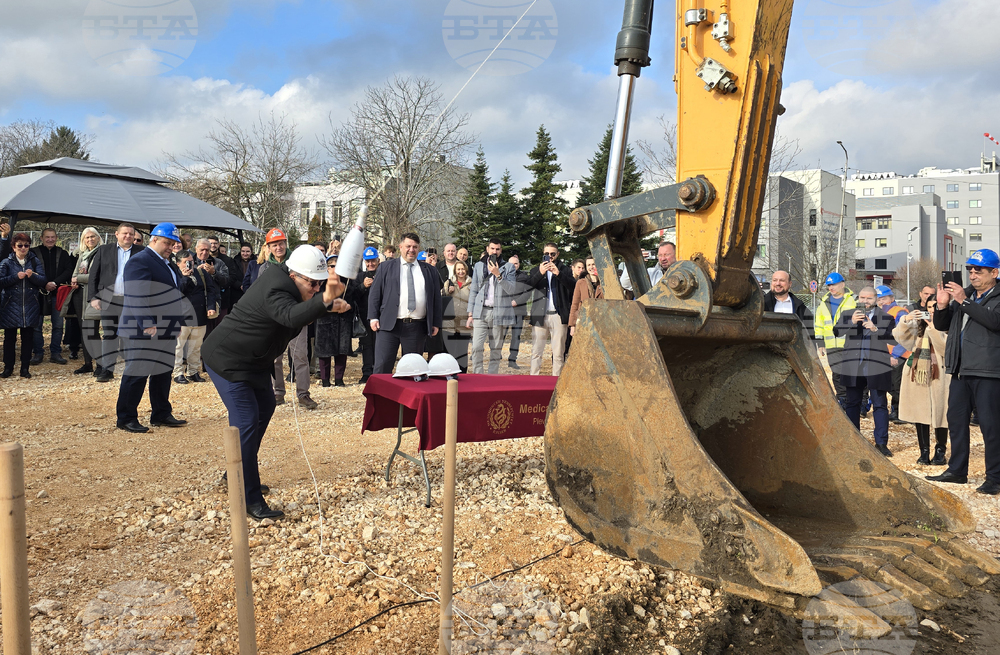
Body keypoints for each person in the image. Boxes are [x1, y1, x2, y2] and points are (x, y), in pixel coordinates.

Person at [204, 245, 350, 520]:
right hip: (228, 360)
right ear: (294, 275)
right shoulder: (275, 285)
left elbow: (299, 311)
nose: (316, 289)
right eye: (312, 283)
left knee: (266, 406)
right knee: (246, 420)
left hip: (255, 361)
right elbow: (290, 316)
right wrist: (325, 301)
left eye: (320, 284)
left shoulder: (291, 285)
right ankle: (248, 496)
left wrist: (327, 305)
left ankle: (236, 469)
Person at [926, 249, 1000, 495]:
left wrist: (963, 301)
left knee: (991, 426)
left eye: (979, 270)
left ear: (994, 272)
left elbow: (994, 322)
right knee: (956, 422)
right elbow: (942, 325)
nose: (973, 274)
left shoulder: (993, 295)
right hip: (960, 368)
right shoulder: (965, 295)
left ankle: (995, 478)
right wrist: (944, 306)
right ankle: (957, 471)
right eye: (970, 269)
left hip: (988, 370)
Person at [114, 223, 188, 433]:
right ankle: (126, 417)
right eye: (167, 243)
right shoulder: (140, 261)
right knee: (137, 373)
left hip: (166, 328)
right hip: (143, 329)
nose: (170, 247)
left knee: (163, 372)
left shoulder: (168, 264)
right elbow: (137, 296)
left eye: (173, 244)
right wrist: (147, 324)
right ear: (153, 239)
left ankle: (161, 413)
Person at [833, 287, 898, 456]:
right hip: (854, 365)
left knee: (879, 404)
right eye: (861, 297)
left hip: (876, 365)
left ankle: (881, 443)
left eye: (868, 298)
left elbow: (894, 339)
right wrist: (851, 322)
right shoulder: (849, 314)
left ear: (876, 299)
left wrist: (876, 329)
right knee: (852, 403)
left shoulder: (886, 317)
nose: (864, 301)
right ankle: (854, 440)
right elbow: (837, 332)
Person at [369, 232, 443, 374]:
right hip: (388, 326)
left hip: (416, 327)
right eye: (408, 246)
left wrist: (436, 322)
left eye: (415, 247)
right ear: (401, 246)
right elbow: (374, 294)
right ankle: (379, 396)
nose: (411, 249)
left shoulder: (430, 271)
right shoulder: (385, 267)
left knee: (413, 370)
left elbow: (436, 299)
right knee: (382, 366)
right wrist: (373, 317)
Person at [893, 300, 950, 465]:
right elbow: (900, 338)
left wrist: (933, 329)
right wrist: (906, 320)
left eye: (936, 308)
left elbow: (945, 348)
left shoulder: (948, 325)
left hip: (940, 374)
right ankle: (923, 451)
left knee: (941, 413)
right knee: (920, 413)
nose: (932, 311)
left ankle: (940, 451)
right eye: (929, 308)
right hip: (918, 375)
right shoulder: (919, 327)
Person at [87, 223, 144, 383]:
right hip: (109, 300)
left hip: (132, 302)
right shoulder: (104, 250)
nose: (128, 236)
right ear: (116, 234)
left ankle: (132, 369)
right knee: (110, 335)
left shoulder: (142, 252)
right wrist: (93, 297)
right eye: (125, 233)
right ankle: (107, 370)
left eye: (131, 234)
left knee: (131, 335)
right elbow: (93, 276)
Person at [467, 238, 517, 374]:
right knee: (477, 347)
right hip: (480, 312)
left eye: (497, 249)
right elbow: (474, 290)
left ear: (501, 250)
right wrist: (470, 313)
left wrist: (498, 275)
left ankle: (491, 378)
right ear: (488, 249)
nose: (495, 251)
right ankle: (478, 376)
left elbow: (511, 289)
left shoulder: (508, 267)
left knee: (495, 349)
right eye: (492, 248)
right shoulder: (478, 266)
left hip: (499, 313)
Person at [0, 234, 46, 378]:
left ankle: (25, 369)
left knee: (28, 339)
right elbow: (0, 281)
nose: (23, 248)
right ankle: (8, 368)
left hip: (30, 305)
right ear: (14, 247)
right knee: (9, 339)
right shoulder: (6, 262)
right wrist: (15, 277)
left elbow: (43, 280)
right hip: (10, 306)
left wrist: (33, 276)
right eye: (20, 245)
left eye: (26, 245)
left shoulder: (34, 261)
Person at [527, 243, 576, 376]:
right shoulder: (535, 270)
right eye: (546, 254)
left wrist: (558, 274)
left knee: (559, 353)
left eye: (552, 254)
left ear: (557, 254)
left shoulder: (565, 270)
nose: (549, 257)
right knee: (536, 352)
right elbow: (527, 287)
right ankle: (533, 381)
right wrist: (540, 273)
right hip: (540, 315)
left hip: (559, 316)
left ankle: (555, 383)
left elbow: (573, 287)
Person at [172, 249, 220, 385]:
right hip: (181, 316)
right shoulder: (174, 274)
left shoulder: (201, 272)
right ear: (178, 263)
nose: (189, 265)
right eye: (186, 262)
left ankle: (193, 371)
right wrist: (185, 278)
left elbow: (211, 290)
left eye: (191, 262)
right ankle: (178, 373)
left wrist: (210, 307)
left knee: (196, 346)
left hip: (199, 314)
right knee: (178, 346)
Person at [30, 228, 74, 365]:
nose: (50, 239)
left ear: (56, 238)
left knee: (58, 325)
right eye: (47, 237)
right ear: (41, 238)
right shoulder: (33, 253)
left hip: (57, 293)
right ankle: (38, 353)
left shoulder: (63, 253)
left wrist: (55, 282)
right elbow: (30, 271)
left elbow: (69, 270)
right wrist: (44, 283)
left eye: (53, 237)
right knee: (36, 325)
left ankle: (55, 352)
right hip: (38, 293)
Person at [814, 272, 857, 407]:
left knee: (854, 374)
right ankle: (843, 400)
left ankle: (859, 402)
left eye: (834, 285)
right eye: (829, 285)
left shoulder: (854, 300)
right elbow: (819, 324)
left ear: (843, 284)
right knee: (837, 374)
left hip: (851, 345)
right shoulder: (823, 302)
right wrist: (820, 343)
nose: (831, 288)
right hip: (831, 344)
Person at [316, 254, 359, 387]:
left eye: (337, 266)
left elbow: (355, 298)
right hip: (325, 320)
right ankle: (325, 379)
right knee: (324, 352)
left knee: (342, 351)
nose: (334, 268)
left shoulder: (348, 281)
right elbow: (316, 301)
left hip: (343, 320)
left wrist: (347, 307)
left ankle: (339, 379)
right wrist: (332, 308)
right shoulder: (321, 282)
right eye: (331, 266)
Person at [64, 228, 103, 374]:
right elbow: (75, 272)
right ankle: (87, 363)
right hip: (79, 294)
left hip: (93, 297)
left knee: (92, 331)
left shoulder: (102, 254)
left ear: (98, 238)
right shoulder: (82, 255)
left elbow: (96, 277)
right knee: (84, 331)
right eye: (87, 238)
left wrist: (77, 279)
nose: (90, 240)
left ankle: (100, 365)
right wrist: (75, 280)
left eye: (93, 237)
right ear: (83, 240)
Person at [875, 285, 910, 423]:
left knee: (897, 385)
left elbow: (905, 335)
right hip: (886, 355)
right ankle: (897, 410)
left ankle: (903, 412)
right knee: (891, 385)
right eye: (879, 299)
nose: (881, 301)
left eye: (883, 298)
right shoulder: (880, 313)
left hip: (898, 355)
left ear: (892, 298)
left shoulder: (899, 313)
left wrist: (895, 355)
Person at [356, 247, 381, 384]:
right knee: (366, 345)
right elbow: (353, 294)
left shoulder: (383, 274)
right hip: (365, 316)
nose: (370, 264)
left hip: (380, 316)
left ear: (378, 260)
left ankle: (378, 371)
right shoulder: (360, 276)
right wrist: (362, 286)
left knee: (379, 344)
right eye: (368, 261)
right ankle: (366, 372)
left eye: (373, 261)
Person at [443, 260, 473, 372]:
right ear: (455, 271)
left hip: (464, 322)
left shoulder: (472, 284)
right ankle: (448, 373)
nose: (461, 271)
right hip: (449, 322)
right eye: (458, 269)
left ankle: (462, 374)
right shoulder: (449, 282)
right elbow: (441, 296)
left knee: (462, 351)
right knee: (450, 351)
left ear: (466, 270)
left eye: (462, 269)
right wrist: (447, 290)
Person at [195, 239, 228, 335]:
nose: (204, 252)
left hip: (213, 304)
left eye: (207, 250)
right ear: (196, 249)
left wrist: (214, 273)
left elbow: (226, 281)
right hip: (195, 304)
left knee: (212, 334)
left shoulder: (218, 263)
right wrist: (196, 273)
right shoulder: (189, 261)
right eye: (202, 249)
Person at [506, 255, 531, 369]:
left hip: (518, 310)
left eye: (515, 264)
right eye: (511, 264)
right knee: (500, 335)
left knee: (516, 336)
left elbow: (527, 293)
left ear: (519, 264)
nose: (513, 266)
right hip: (504, 311)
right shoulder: (502, 275)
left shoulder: (524, 276)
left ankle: (512, 360)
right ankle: (496, 357)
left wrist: (516, 302)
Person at [569, 257, 603, 336]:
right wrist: (572, 325)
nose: (591, 267)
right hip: (584, 320)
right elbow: (575, 304)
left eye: (593, 264)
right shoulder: (581, 283)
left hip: (601, 320)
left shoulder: (604, 282)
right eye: (588, 265)